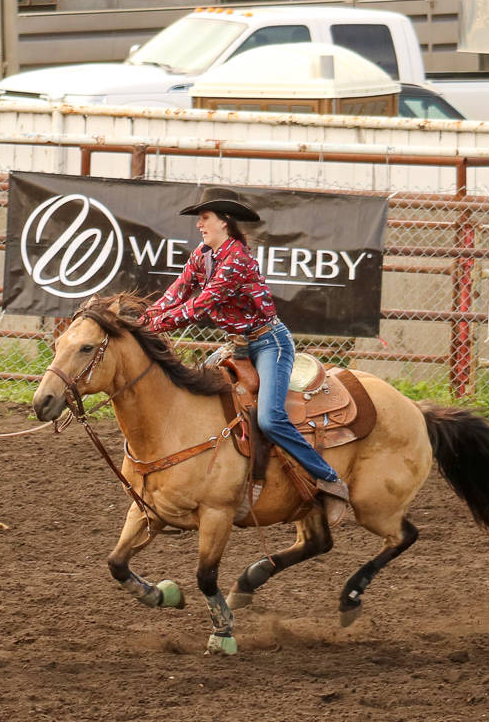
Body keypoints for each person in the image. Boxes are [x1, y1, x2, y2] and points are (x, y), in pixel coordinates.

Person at [138, 186, 349, 502]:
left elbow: (201, 305)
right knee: (199, 396)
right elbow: (177, 292)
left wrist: (151, 325)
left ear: (224, 221)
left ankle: (329, 478)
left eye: (204, 217)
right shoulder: (203, 255)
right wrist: (143, 318)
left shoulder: (236, 259)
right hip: (236, 346)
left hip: (269, 344)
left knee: (270, 418)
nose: (199, 224)